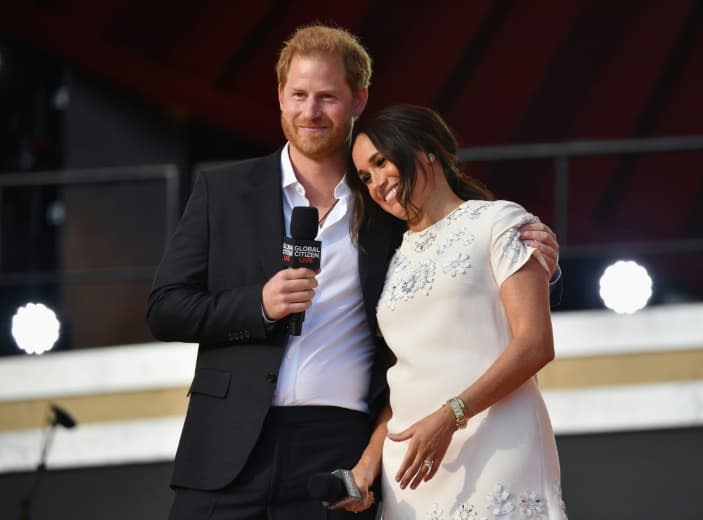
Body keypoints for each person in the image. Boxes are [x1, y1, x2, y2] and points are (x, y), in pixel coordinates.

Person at [146, 24, 561, 520]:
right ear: (280, 96)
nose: (310, 111)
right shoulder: (223, 190)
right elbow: (165, 308)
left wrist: (543, 262)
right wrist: (258, 304)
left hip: (339, 448)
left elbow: (458, 257)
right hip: (226, 450)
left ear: (359, 98)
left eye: (327, 97)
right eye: (298, 94)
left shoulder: (388, 201)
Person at [346, 104, 567, 519]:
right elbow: (405, 377)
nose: (376, 183)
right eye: (365, 176)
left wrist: (450, 416)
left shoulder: (498, 221)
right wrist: (368, 464)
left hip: (495, 445)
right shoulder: (393, 259)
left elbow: (536, 344)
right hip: (412, 469)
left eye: (381, 162)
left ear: (427, 149)